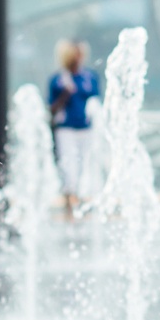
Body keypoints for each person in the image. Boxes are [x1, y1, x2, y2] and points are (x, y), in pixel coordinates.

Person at [48, 39, 100, 219]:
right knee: (69, 166)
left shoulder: (90, 77)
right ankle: (69, 205)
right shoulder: (58, 79)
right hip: (66, 129)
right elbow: (51, 109)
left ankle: (84, 204)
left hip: (86, 129)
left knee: (86, 166)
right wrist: (65, 94)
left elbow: (96, 102)